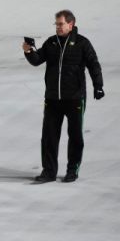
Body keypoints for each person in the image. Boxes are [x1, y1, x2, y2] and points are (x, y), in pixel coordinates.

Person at [23, 10, 104, 183]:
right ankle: (49, 172)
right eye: (56, 24)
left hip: (75, 98)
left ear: (71, 24)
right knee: (49, 137)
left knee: (75, 136)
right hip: (52, 99)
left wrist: (99, 86)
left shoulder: (82, 43)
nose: (57, 27)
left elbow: (94, 65)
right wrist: (29, 51)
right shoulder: (51, 43)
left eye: (60, 24)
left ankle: (72, 170)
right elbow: (37, 60)